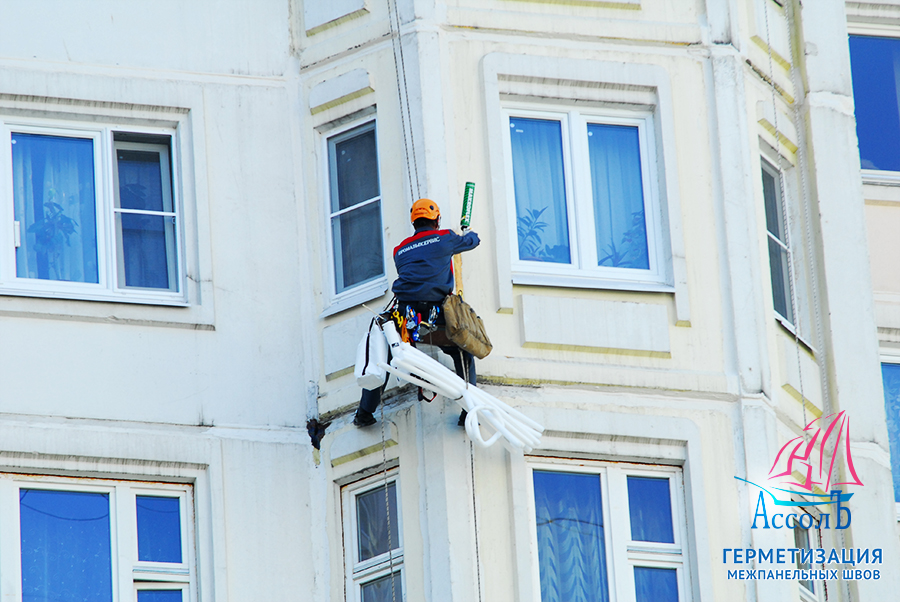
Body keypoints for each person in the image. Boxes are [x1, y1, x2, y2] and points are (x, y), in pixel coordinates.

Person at [353, 198, 481, 427]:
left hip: (405, 315)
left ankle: (364, 413)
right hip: (439, 314)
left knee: (383, 354)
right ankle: (469, 413)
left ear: (414, 222)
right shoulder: (444, 238)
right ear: (437, 219)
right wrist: (467, 231)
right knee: (464, 351)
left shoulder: (399, 250)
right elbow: (473, 241)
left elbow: (418, 269)